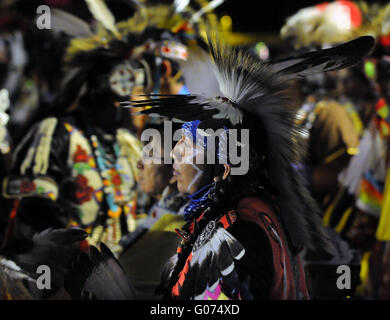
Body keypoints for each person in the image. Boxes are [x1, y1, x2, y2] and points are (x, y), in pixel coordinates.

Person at [124, 35, 375, 299]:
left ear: (224, 161)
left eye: (187, 142)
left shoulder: (237, 234)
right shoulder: (239, 215)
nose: (175, 152)